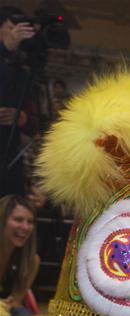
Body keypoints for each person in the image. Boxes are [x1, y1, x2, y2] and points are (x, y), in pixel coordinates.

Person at [1, 6, 37, 196]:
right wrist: (4, 48)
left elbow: (37, 123)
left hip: (9, 160)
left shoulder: (22, 71)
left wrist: (23, 118)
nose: (18, 34)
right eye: (11, 27)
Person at [0, 194, 39, 316]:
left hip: (6, 312)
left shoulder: (32, 261)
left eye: (30, 222)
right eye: (18, 220)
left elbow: (16, 301)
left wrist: (11, 303)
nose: (25, 227)